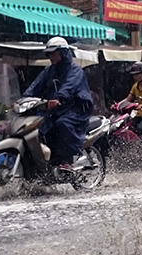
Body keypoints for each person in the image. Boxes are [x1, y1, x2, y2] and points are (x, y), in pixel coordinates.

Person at [23, 36, 94, 171]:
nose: (52, 57)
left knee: (63, 124)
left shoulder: (75, 70)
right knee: (40, 127)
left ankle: (66, 160)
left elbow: (69, 86)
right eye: (50, 54)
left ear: (63, 53)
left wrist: (59, 98)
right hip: (56, 109)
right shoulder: (49, 71)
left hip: (76, 109)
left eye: (54, 53)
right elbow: (36, 85)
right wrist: (24, 99)